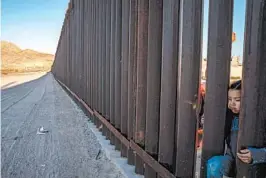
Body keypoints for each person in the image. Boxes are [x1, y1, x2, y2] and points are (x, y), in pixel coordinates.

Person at [207, 80, 266, 178]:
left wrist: (256, 155)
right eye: (230, 99)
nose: (232, 103)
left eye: (237, 100)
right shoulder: (229, 116)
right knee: (214, 164)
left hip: (256, 165)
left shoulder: (260, 120)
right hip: (231, 159)